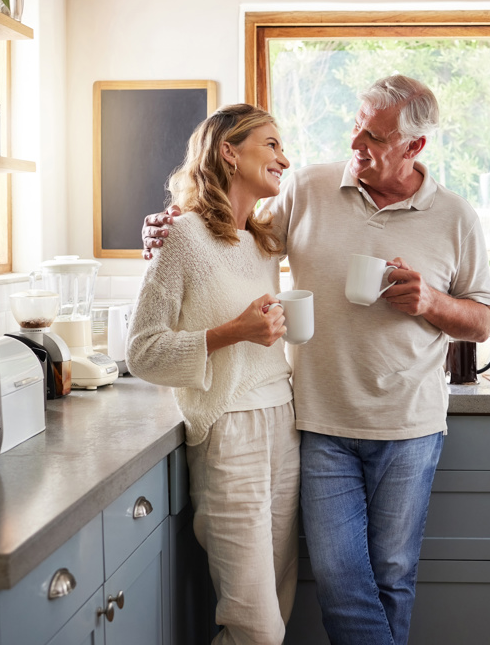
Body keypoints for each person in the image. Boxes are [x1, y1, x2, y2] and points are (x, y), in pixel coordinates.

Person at [142, 75, 490, 645]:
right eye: (356, 126)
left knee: (393, 576)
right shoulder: (308, 188)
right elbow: (234, 235)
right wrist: (169, 224)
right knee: (335, 576)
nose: (356, 143)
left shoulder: (455, 216)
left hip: (410, 425)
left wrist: (430, 301)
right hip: (318, 422)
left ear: (414, 148)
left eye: (375, 137)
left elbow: (482, 319)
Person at [127, 104, 300, 645]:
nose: (284, 158)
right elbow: (143, 352)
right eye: (270, 144)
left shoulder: (263, 242)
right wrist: (234, 331)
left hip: (283, 425)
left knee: (280, 603)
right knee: (255, 628)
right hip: (229, 432)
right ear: (229, 151)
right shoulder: (181, 237)